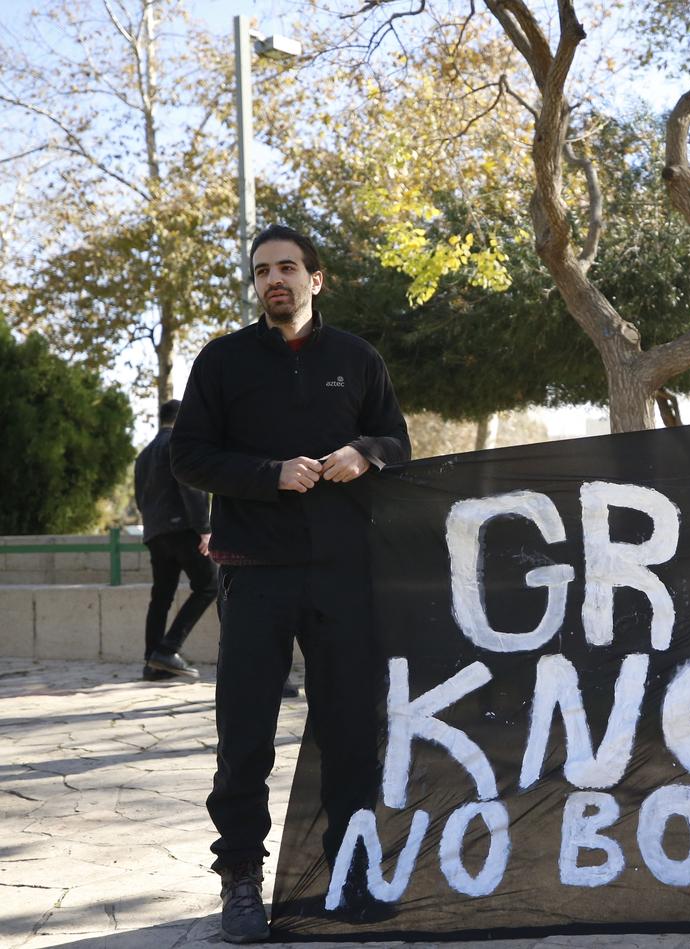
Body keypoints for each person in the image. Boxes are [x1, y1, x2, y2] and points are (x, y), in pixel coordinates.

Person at [171, 223, 410, 944]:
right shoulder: (222, 361)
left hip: (343, 574)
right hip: (254, 573)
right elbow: (190, 456)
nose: (274, 279)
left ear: (316, 278)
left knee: (349, 732)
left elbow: (398, 442)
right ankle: (240, 879)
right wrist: (270, 475)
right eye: (262, 271)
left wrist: (365, 453)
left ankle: (351, 870)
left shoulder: (357, 358)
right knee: (244, 736)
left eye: (286, 268)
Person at [134, 398, 216, 680]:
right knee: (209, 585)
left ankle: (151, 663)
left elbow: (139, 499)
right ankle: (168, 649)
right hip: (183, 529)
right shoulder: (180, 443)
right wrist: (204, 529)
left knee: (161, 597)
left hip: (155, 532)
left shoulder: (143, 454)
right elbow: (190, 485)